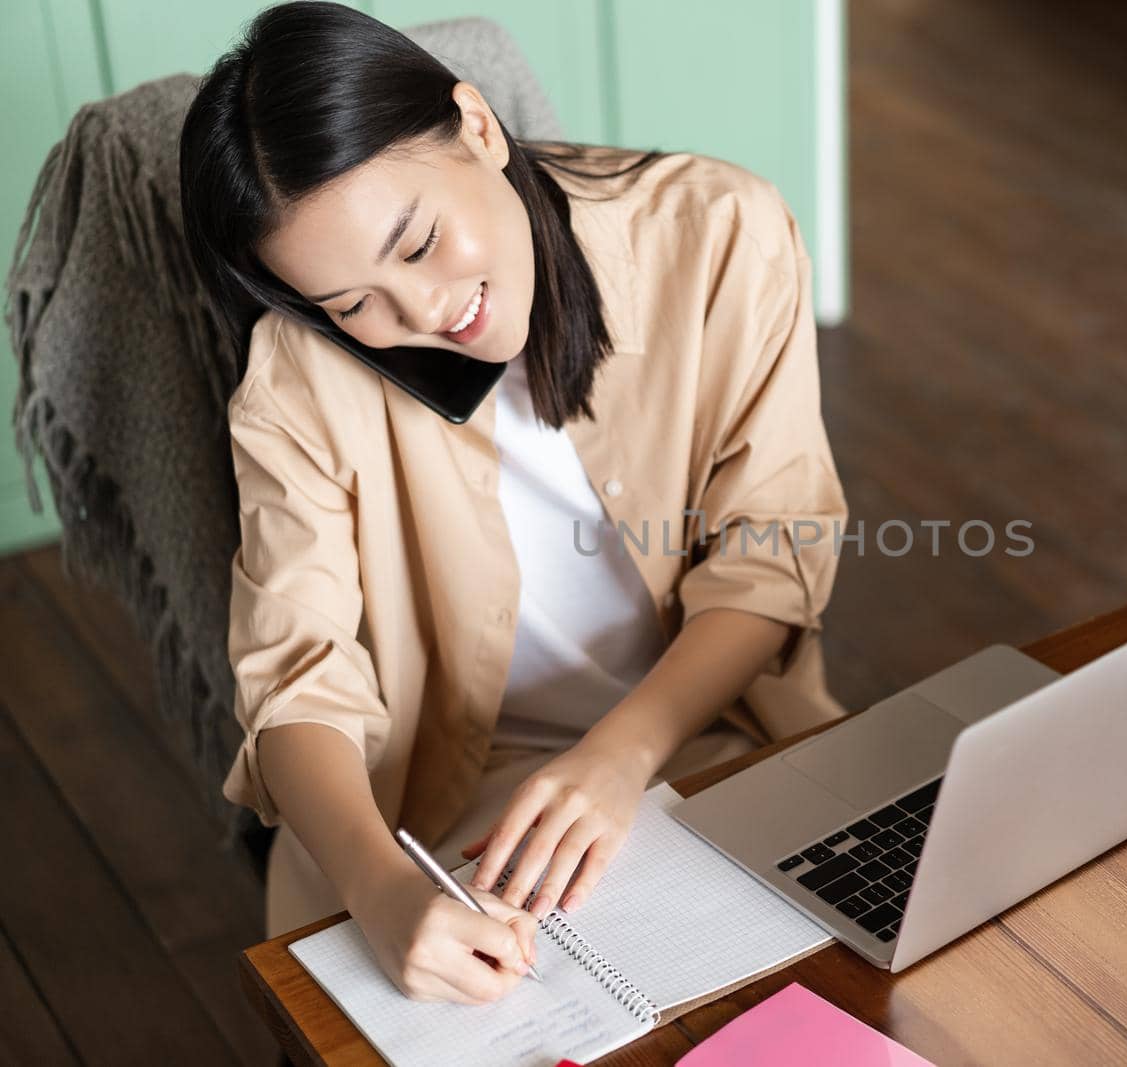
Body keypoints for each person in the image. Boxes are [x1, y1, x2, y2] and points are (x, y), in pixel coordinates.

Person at [179, 1, 848, 1005]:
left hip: (704, 735)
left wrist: (617, 759)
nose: (420, 316)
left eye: (415, 243)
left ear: (478, 127)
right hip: (427, 812)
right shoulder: (298, 376)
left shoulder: (720, 232)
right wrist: (382, 890)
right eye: (353, 303)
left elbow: (772, 549)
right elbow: (296, 680)